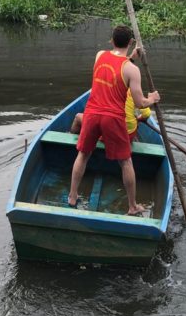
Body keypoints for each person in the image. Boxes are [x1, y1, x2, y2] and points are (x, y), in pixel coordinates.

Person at [68, 26, 160, 215]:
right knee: (125, 162)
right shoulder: (132, 70)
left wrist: (131, 57)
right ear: (130, 43)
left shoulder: (99, 55)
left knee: (83, 155)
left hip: (92, 113)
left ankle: (72, 196)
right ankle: (133, 206)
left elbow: (116, 66)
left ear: (111, 40)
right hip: (112, 119)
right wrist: (152, 99)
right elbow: (139, 102)